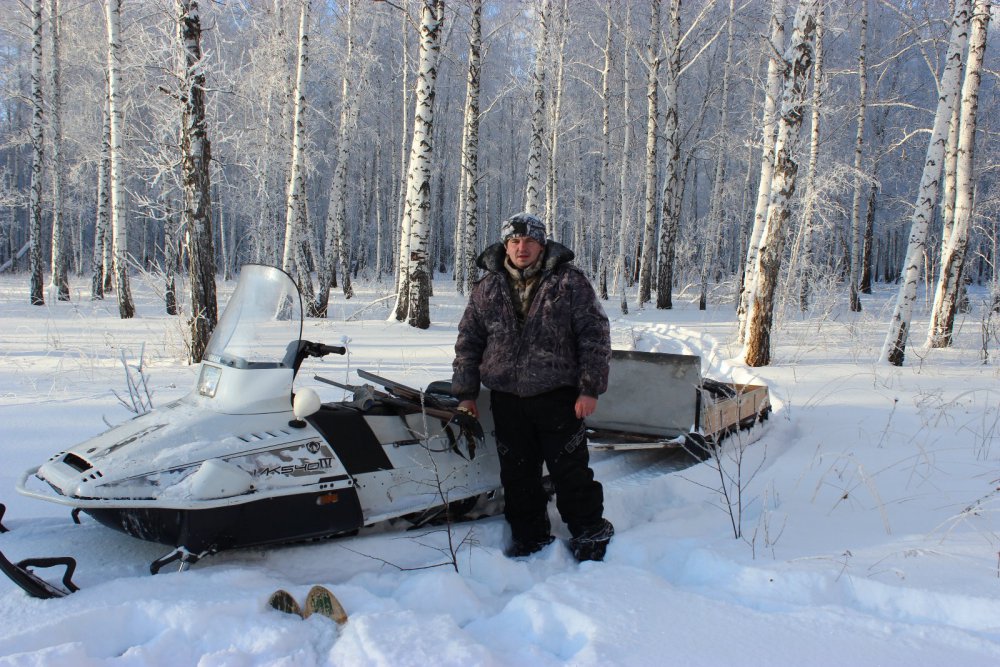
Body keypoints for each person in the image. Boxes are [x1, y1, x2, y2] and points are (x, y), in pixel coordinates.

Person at [452, 212, 615, 561]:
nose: (521, 247)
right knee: (517, 474)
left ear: (542, 244)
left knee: (569, 469)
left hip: (558, 396)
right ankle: (529, 536)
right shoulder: (488, 287)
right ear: (505, 245)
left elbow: (595, 336)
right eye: (514, 241)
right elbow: (468, 342)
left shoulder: (570, 283)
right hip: (508, 398)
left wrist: (589, 389)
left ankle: (589, 530)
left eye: (529, 241)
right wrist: (466, 394)